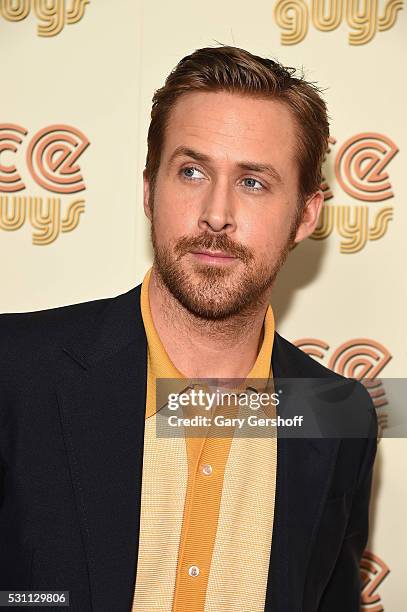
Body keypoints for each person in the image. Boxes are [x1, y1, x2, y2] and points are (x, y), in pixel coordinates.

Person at [0, 46, 377, 612]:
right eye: (192, 171)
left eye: (254, 182)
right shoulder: (16, 373)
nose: (216, 213)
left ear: (305, 215)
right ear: (149, 191)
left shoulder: (337, 414)